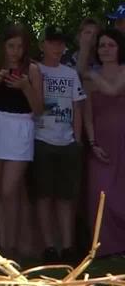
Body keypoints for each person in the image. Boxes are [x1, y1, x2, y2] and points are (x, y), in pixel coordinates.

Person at [0, 23, 44, 260]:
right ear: (3, 47)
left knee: (9, 190)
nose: (15, 51)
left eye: (20, 47)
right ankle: (2, 246)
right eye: (11, 46)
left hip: (20, 128)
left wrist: (25, 87)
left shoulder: (32, 71)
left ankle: (14, 246)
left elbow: (38, 109)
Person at [30, 25, 86, 264]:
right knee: (43, 196)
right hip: (41, 140)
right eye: (52, 42)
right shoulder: (35, 70)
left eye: (61, 43)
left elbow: (77, 108)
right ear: (43, 45)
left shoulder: (71, 74)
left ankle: (68, 247)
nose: (57, 47)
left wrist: (78, 140)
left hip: (67, 143)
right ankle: (49, 247)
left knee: (65, 197)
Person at [79, 28, 125, 258]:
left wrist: (92, 74)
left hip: (123, 142)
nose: (106, 49)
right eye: (102, 46)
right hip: (101, 144)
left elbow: (114, 89)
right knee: (100, 193)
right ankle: (105, 247)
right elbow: (87, 113)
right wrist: (92, 142)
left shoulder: (124, 71)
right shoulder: (89, 78)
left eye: (111, 45)